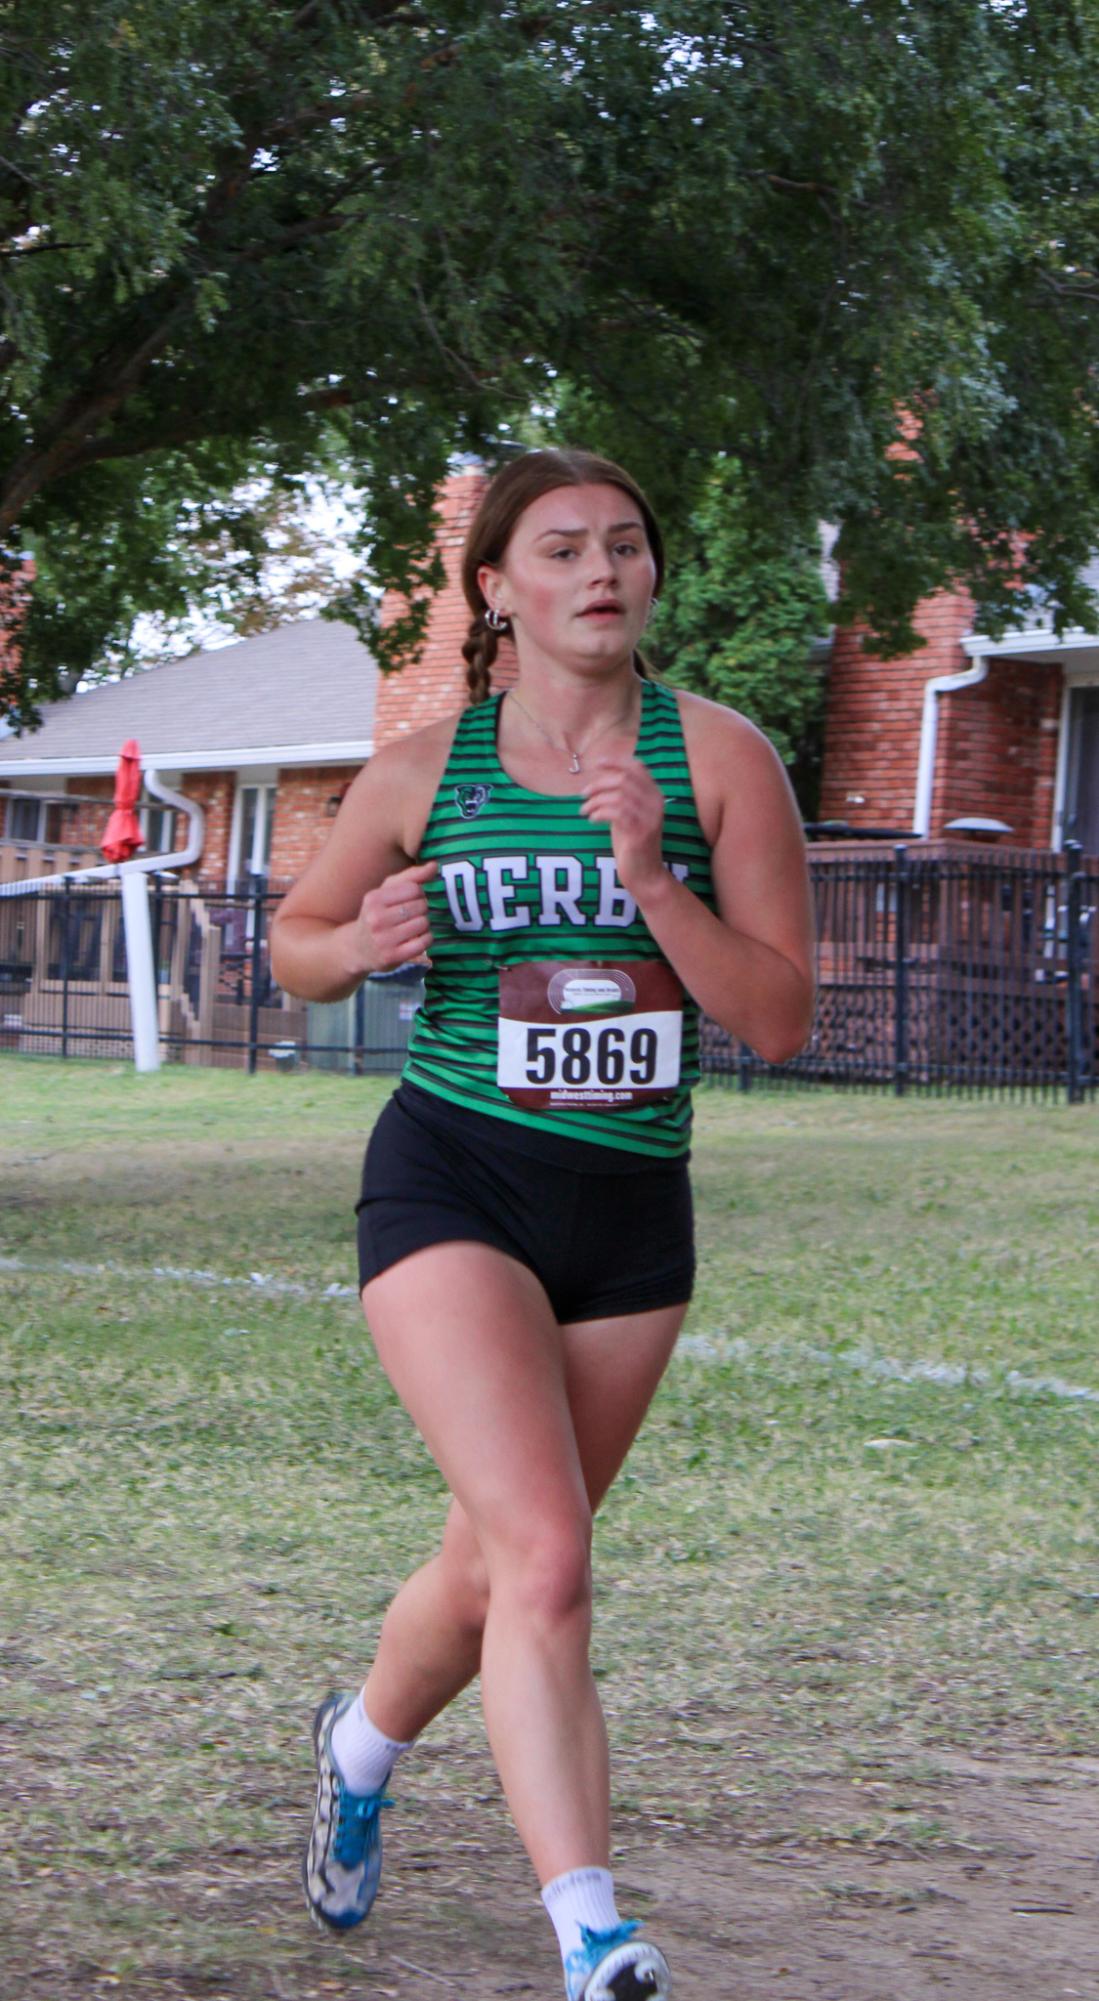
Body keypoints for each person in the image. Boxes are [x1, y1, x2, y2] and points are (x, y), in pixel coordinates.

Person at [269, 448, 814, 2001]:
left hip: (630, 1208)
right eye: (563, 548)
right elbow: (296, 940)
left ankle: (361, 1741)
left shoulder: (718, 759)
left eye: (626, 546)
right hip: (455, 1177)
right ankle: (594, 1931)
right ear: (496, 589)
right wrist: (352, 940)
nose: (601, 571)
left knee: (499, 1563)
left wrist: (654, 879)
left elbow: (775, 1016)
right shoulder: (427, 771)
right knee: (552, 1553)